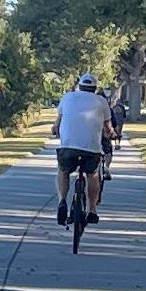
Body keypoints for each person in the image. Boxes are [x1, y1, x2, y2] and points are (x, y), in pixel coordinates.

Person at [51, 72, 116, 223]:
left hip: (68, 147)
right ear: (94, 88)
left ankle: (62, 201)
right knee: (92, 175)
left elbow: (57, 124)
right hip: (91, 148)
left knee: (63, 171)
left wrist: (55, 130)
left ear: (80, 87)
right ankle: (92, 209)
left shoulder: (68, 97)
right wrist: (111, 134)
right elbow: (108, 127)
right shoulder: (101, 101)